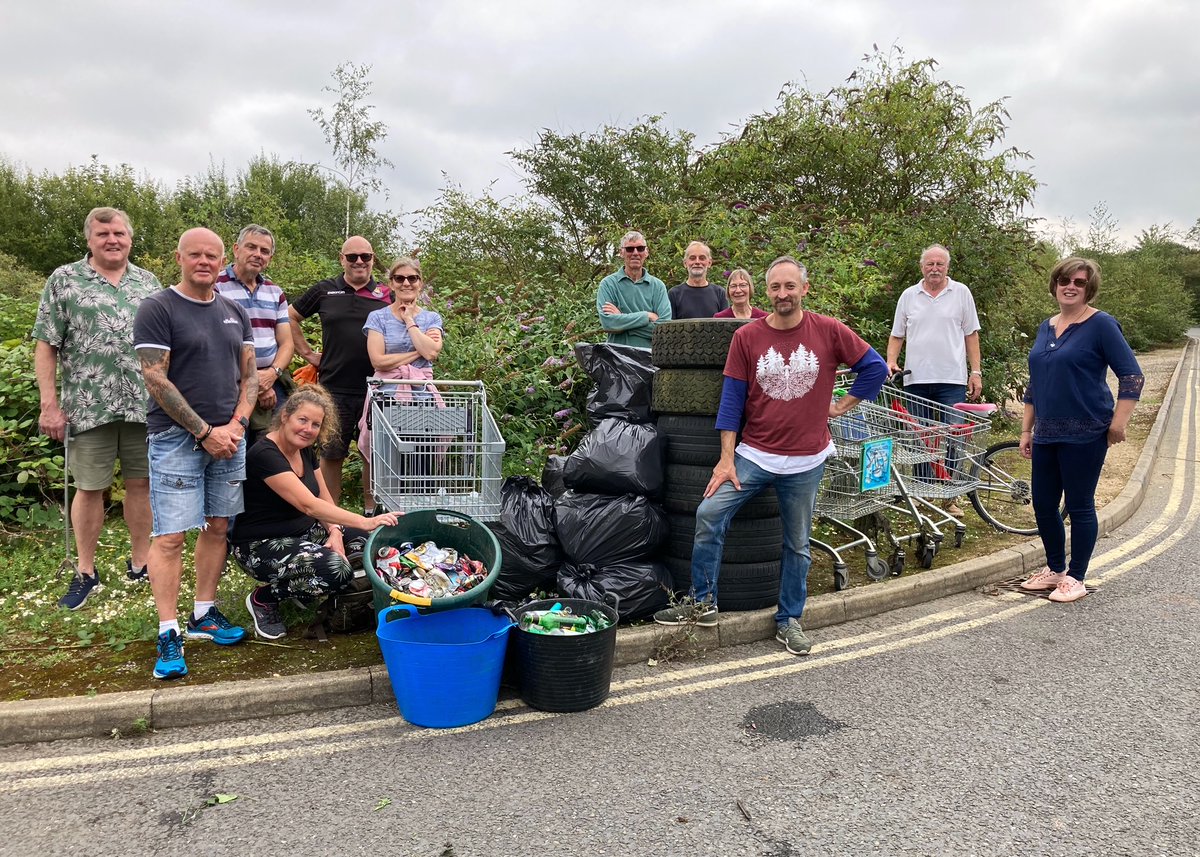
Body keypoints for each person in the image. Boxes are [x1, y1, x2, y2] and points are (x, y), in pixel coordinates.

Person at [654, 256, 888, 654]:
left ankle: (789, 619)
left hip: (807, 461)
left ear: (804, 289)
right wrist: (726, 459)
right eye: (776, 287)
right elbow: (731, 403)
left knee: (796, 544)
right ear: (768, 291)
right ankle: (702, 602)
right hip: (755, 456)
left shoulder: (829, 331)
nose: (783, 294)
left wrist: (840, 406)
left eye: (790, 287)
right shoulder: (746, 337)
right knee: (708, 514)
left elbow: (875, 368)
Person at [133, 227, 258, 680]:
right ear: (179, 257)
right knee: (170, 535)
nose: (203, 261)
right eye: (194, 254)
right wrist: (204, 431)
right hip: (176, 439)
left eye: (211, 255)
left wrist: (237, 425)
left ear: (222, 259)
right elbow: (155, 378)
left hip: (229, 438)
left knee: (219, 526)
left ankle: (204, 612)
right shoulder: (157, 307)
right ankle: (168, 631)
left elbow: (250, 378)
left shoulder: (234, 311)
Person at [32, 207, 162, 608]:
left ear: (130, 238)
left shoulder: (149, 283)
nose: (112, 240)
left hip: (144, 406)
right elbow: (46, 344)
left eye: (119, 233)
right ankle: (85, 571)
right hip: (89, 408)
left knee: (142, 486)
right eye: (103, 233)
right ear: (89, 238)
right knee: (90, 488)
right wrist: (49, 405)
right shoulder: (65, 280)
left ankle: (141, 563)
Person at [229, 386, 401, 640]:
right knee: (337, 569)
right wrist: (365, 521)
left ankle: (305, 587)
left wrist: (334, 531)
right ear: (285, 416)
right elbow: (308, 504)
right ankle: (264, 599)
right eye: (302, 420)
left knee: (367, 544)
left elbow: (323, 497)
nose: (308, 429)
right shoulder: (264, 454)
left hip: (304, 533)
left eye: (315, 424)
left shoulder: (305, 450)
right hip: (260, 545)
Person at [1018, 258, 1142, 603]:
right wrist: (1027, 429)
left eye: (1079, 282)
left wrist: (1119, 423)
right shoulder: (1047, 326)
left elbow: (1132, 376)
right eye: (1064, 280)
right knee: (1043, 504)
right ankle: (1056, 569)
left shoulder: (1101, 325)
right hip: (1046, 431)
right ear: (1055, 284)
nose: (1070, 286)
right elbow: (1035, 384)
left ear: (1089, 288)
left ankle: (1076, 577)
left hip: (1086, 430)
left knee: (1080, 504)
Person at [289, 236, 392, 510]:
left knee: (375, 455)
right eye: (352, 256)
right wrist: (308, 354)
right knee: (332, 454)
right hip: (334, 389)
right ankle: (331, 515)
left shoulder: (386, 294)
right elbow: (289, 316)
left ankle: (372, 513)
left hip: (378, 390)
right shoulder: (325, 291)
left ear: (373, 258)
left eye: (366, 257)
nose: (359, 262)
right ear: (341, 259)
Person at [886, 244, 983, 515]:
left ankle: (949, 496)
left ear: (947, 267)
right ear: (922, 267)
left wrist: (975, 372)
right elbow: (897, 335)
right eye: (930, 264)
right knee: (919, 437)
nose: (935, 269)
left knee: (954, 437)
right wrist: (891, 361)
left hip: (952, 379)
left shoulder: (961, 293)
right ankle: (920, 488)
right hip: (915, 379)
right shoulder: (908, 296)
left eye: (940, 264)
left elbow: (971, 335)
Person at [358, 257, 445, 467]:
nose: (406, 283)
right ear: (391, 283)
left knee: (421, 465)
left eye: (412, 278)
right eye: (400, 278)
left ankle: (420, 498)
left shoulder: (432, 318)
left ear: (420, 283)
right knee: (388, 465)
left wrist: (409, 321)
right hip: (387, 399)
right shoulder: (377, 317)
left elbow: (432, 353)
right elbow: (378, 361)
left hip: (423, 400)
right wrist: (420, 352)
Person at [214, 224, 294, 445]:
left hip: (273, 381)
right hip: (231, 383)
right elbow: (218, 345)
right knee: (234, 446)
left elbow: (286, 343)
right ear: (236, 249)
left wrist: (272, 374)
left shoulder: (275, 292)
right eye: (251, 247)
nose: (258, 254)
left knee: (272, 452)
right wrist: (253, 382)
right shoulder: (215, 287)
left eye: (264, 251)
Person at [596, 230, 672, 349]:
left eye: (640, 248)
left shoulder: (658, 286)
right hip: (617, 360)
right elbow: (609, 324)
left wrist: (622, 321)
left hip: (651, 361)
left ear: (646, 252)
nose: (635, 253)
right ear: (621, 252)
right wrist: (646, 316)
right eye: (630, 249)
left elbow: (664, 330)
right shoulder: (608, 284)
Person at [668, 241, 729, 319]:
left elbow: (725, 326)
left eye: (702, 258)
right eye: (692, 258)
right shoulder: (674, 294)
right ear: (685, 263)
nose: (697, 262)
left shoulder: (720, 294)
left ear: (709, 263)